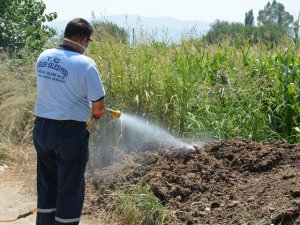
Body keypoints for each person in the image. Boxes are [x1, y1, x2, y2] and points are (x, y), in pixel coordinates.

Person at [33, 18, 105, 225]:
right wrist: (97, 114)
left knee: (47, 186)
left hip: (41, 130)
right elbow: (98, 105)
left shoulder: (44, 56)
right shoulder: (85, 63)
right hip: (68, 135)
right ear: (83, 40)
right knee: (69, 189)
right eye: (88, 41)